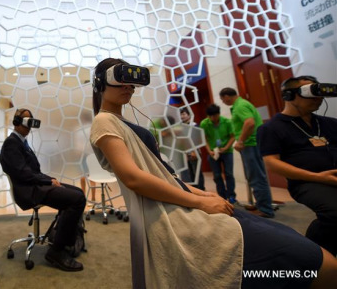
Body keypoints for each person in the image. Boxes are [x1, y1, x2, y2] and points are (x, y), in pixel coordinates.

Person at [89, 57, 337, 289]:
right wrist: (199, 201)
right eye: (121, 81)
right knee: (311, 260)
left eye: (132, 83)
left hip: (180, 200)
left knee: (292, 240)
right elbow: (134, 178)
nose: (129, 87)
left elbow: (167, 178)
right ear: (100, 82)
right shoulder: (104, 121)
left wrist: (205, 196)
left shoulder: (121, 122)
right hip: (172, 214)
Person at [258, 75, 337, 255]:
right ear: (288, 96)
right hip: (308, 183)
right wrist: (318, 177)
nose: (318, 98)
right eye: (311, 93)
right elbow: (272, 164)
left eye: (319, 92)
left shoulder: (329, 123)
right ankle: (315, 257)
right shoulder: (271, 128)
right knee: (334, 213)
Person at [0, 108, 86, 272]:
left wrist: (50, 180)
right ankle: (56, 252)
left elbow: (33, 172)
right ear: (17, 122)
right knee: (76, 200)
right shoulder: (12, 143)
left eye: (32, 122)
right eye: (27, 122)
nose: (30, 126)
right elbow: (23, 173)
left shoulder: (22, 142)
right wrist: (48, 181)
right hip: (28, 191)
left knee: (78, 193)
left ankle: (60, 237)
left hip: (35, 185)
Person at [219, 87, 275, 218]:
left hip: (251, 144)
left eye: (222, 99)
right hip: (251, 144)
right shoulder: (242, 104)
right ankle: (261, 204)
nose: (223, 102)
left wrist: (241, 141)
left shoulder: (240, 106)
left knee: (256, 177)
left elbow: (249, 123)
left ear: (227, 96)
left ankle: (265, 209)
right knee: (254, 176)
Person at [199, 103, 237, 203]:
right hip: (213, 153)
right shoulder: (204, 123)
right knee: (217, 175)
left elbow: (233, 136)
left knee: (229, 173)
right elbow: (204, 138)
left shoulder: (227, 122)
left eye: (214, 115)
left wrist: (226, 147)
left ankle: (231, 195)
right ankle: (222, 196)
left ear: (218, 114)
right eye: (210, 116)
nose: (212, 118)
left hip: (227, 151)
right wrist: (209, 150)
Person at [180, 108, 205, 190]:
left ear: (189, 115)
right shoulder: (181, 126)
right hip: (185, 153)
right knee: (190, 174)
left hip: (195, 152)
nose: (182, 116)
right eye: (180, 114)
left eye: (183, 114)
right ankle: (195, 191)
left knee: (197, 173)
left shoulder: (194, 125)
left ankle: (201, 190)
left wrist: (194, 151)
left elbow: (198, 140)